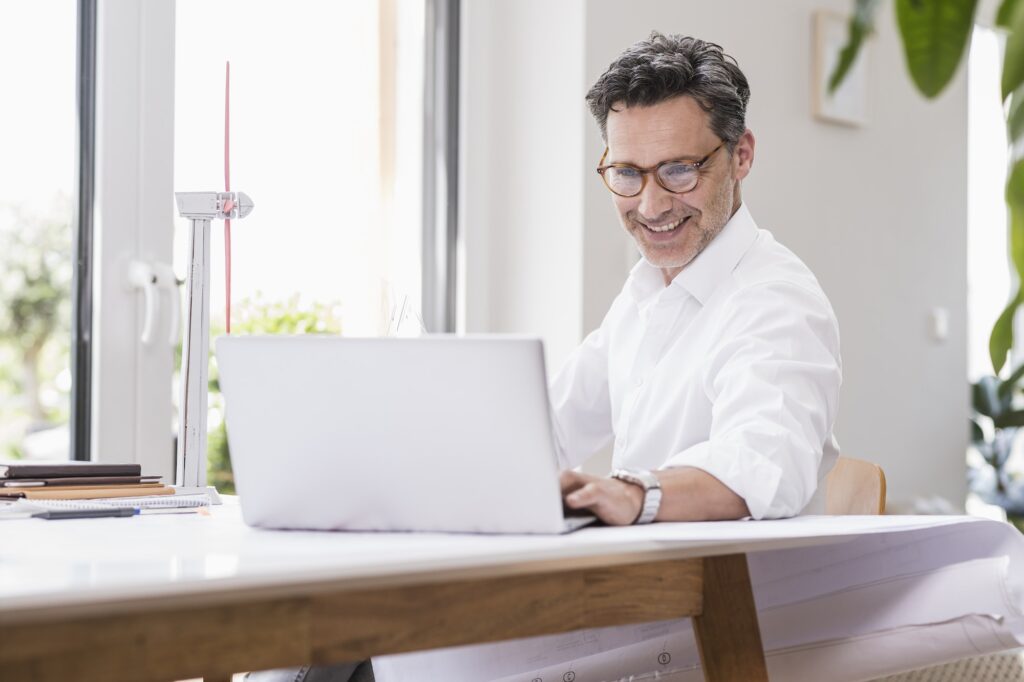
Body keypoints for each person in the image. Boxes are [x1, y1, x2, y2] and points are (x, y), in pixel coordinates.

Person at [250, 30, 841, 682]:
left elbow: (763, 467)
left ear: (741, 155)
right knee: (333, 629)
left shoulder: (777, 299)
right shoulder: (647, 294)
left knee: (366, 644)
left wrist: (632, 494)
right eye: (626, 174)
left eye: (678, 170)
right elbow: (547, 427)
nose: (650, 205)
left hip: (704, 621)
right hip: (630, 598)